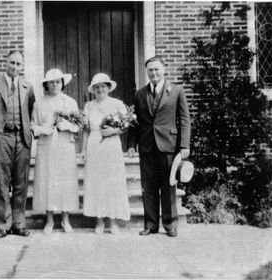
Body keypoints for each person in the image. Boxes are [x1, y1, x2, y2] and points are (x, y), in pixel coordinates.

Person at [127, 56, 191, 237]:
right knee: (149, 186)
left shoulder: (177, 91)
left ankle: (170, 225)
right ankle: (151, 224)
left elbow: (185, 119)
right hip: (147, 146)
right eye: (150, 70)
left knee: (169, 185)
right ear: (146, 72)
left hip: (169, 145)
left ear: (164, 69)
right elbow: (135, 122)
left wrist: (184, 145)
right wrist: (131, 144)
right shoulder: (140, 94)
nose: (153, 73)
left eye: (156, 69)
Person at [0, 50, 35, 238]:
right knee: (2, 183)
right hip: (2, 138)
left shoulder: (28, 87)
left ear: (23, 66)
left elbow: (28, 109)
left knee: (21, 183)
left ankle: (19, 224)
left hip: (22, 138)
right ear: (6, 62)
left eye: (19, 64)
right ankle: (4, 224)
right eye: (12, 63)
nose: (15, 67)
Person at [31, 69, 79, 234]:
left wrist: (68, 126)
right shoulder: (39, 104)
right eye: (51, 82)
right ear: (46, 85)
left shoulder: (70, 102)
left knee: (65, 182)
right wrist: (43, 129)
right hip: (47, 147)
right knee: (48, 182)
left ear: (62, 83)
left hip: (65, 146)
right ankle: (50, 220)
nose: (55, 85)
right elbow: (33, 126)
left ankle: (66, 220)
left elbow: (78, 126)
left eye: (58, 81)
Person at [82, 73, 130, 235]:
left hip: (112, 145)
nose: (100, 89)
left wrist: (113, 130)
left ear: (108, 88)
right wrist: (83, 150)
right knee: (97, 182)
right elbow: (86, 129)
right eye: (97, 87)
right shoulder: (89, 106)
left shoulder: (117, 104)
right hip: (95, 144)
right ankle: (99, 221)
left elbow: (125, 125)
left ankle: (112, 221)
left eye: (103, 86)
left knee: (112, 182)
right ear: (93, 90)